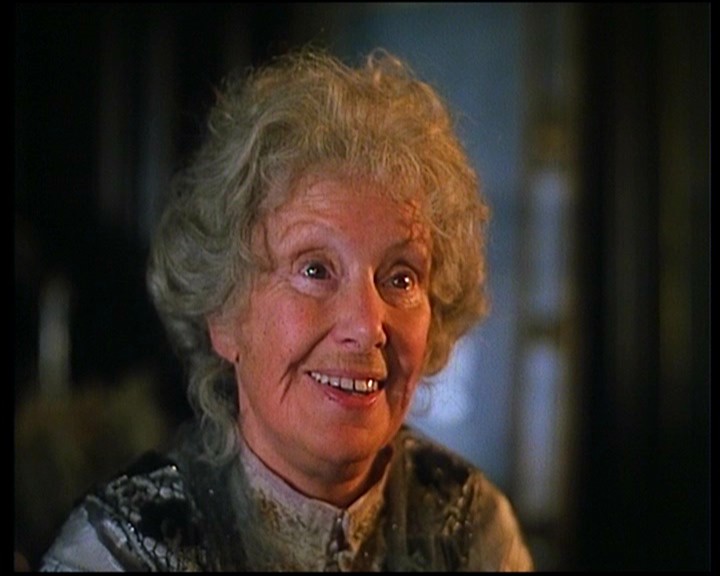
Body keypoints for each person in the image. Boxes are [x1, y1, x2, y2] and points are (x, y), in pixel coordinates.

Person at [39, 47, 534, 572]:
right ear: (224, 312)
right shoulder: (121, 549)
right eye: (315, 270)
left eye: (401, 278)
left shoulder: (471, 526)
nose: (366, 326)